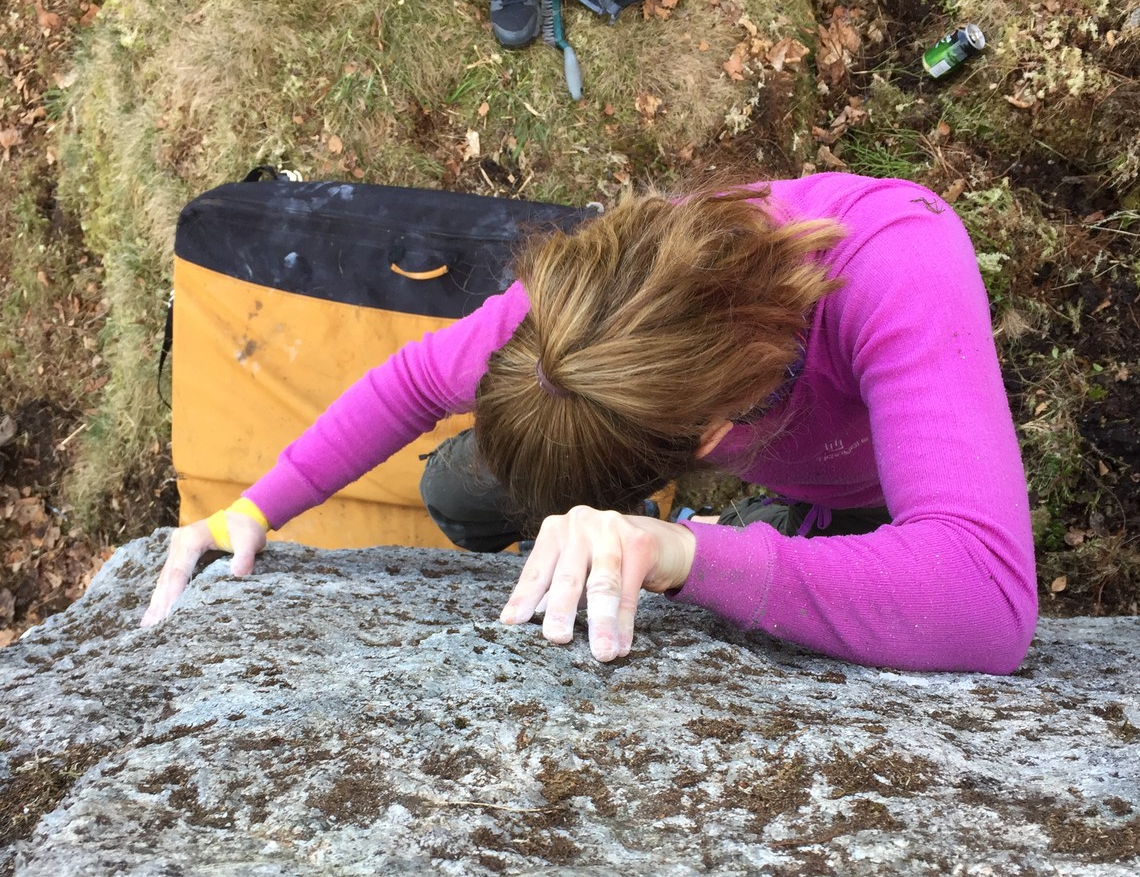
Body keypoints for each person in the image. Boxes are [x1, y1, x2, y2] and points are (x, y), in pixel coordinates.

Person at [141, 173, 1038, 674]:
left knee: (832, 556)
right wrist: (255, 507)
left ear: (707, 444)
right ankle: (734, 522)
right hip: (708, 417)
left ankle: (776, 523)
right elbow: (410, 383)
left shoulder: (896, 266)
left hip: (867, 485)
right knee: (457, 488)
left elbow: (987, 597)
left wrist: (684, 553)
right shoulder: (572, 317)